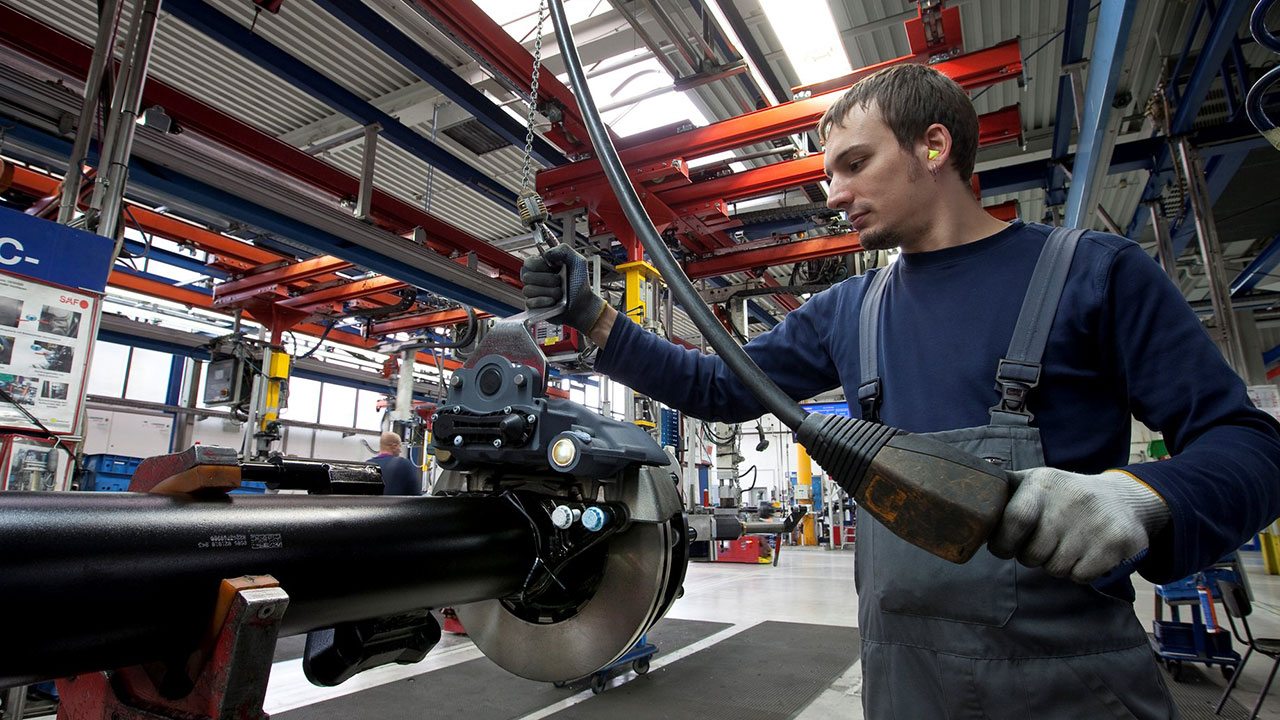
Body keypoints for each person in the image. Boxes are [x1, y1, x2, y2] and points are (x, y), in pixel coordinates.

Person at [520, 64, 1280, 718]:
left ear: (934, 146)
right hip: (903, 688)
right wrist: (591, 316)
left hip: (1070, 689)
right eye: (827, 174)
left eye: (854, 163)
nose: (834, 192)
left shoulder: (1095, 275)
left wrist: (1139, 498)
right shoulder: (849, 313)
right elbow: (719, 386)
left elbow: (1250, 448)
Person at [367, 431, 421, 496]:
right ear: (394, 446)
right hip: (397, 505)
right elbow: (415, 495)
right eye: (400, 446)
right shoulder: (403, 464)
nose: (400, 450)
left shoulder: (368, 465)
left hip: (371, 505)